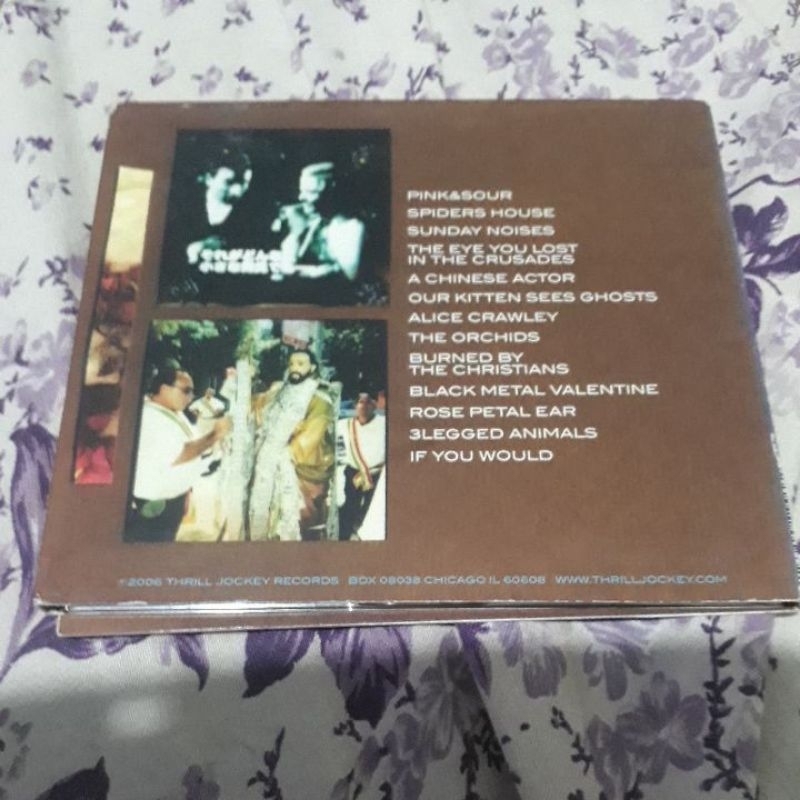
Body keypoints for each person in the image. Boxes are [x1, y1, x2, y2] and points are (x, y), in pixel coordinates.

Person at [125, 364, 231, 542]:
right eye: (186, 391)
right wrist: (214, 435)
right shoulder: (149, 416)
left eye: (192, 392)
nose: (191, 397)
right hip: (156, 508)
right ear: (164, 388)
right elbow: (178, 454)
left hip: (173, 501)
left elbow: (192, 442)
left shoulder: (173, 412)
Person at [248, 349, 335, 541]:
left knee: (303, 527)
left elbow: (311, 436)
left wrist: (282, 453)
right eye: (292, 364)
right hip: (271, 464)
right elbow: (259, 409)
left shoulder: (320, 399)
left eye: (301, 364)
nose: (295, 368)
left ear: (312, 367)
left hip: (303, 471)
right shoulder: (281, 392)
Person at [270, 162, 366, 304]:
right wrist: (295, 234)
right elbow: (288, 262)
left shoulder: (351, 226)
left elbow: (348, 277)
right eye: (302, 191)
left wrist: (298, 271)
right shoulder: (313, 222)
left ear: (331, 192)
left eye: (311, 192)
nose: (301, 197)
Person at [336, 392, 386, 540]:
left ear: (374, 405)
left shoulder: (384, 424)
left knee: (371, 510)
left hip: (377, 475)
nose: (364, 406)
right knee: (348, 509)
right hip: (353, 473)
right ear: (355, 405)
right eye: (360, 402)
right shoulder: (343, 425)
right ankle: (344, 539)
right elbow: (339, 449)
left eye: (368, 402)